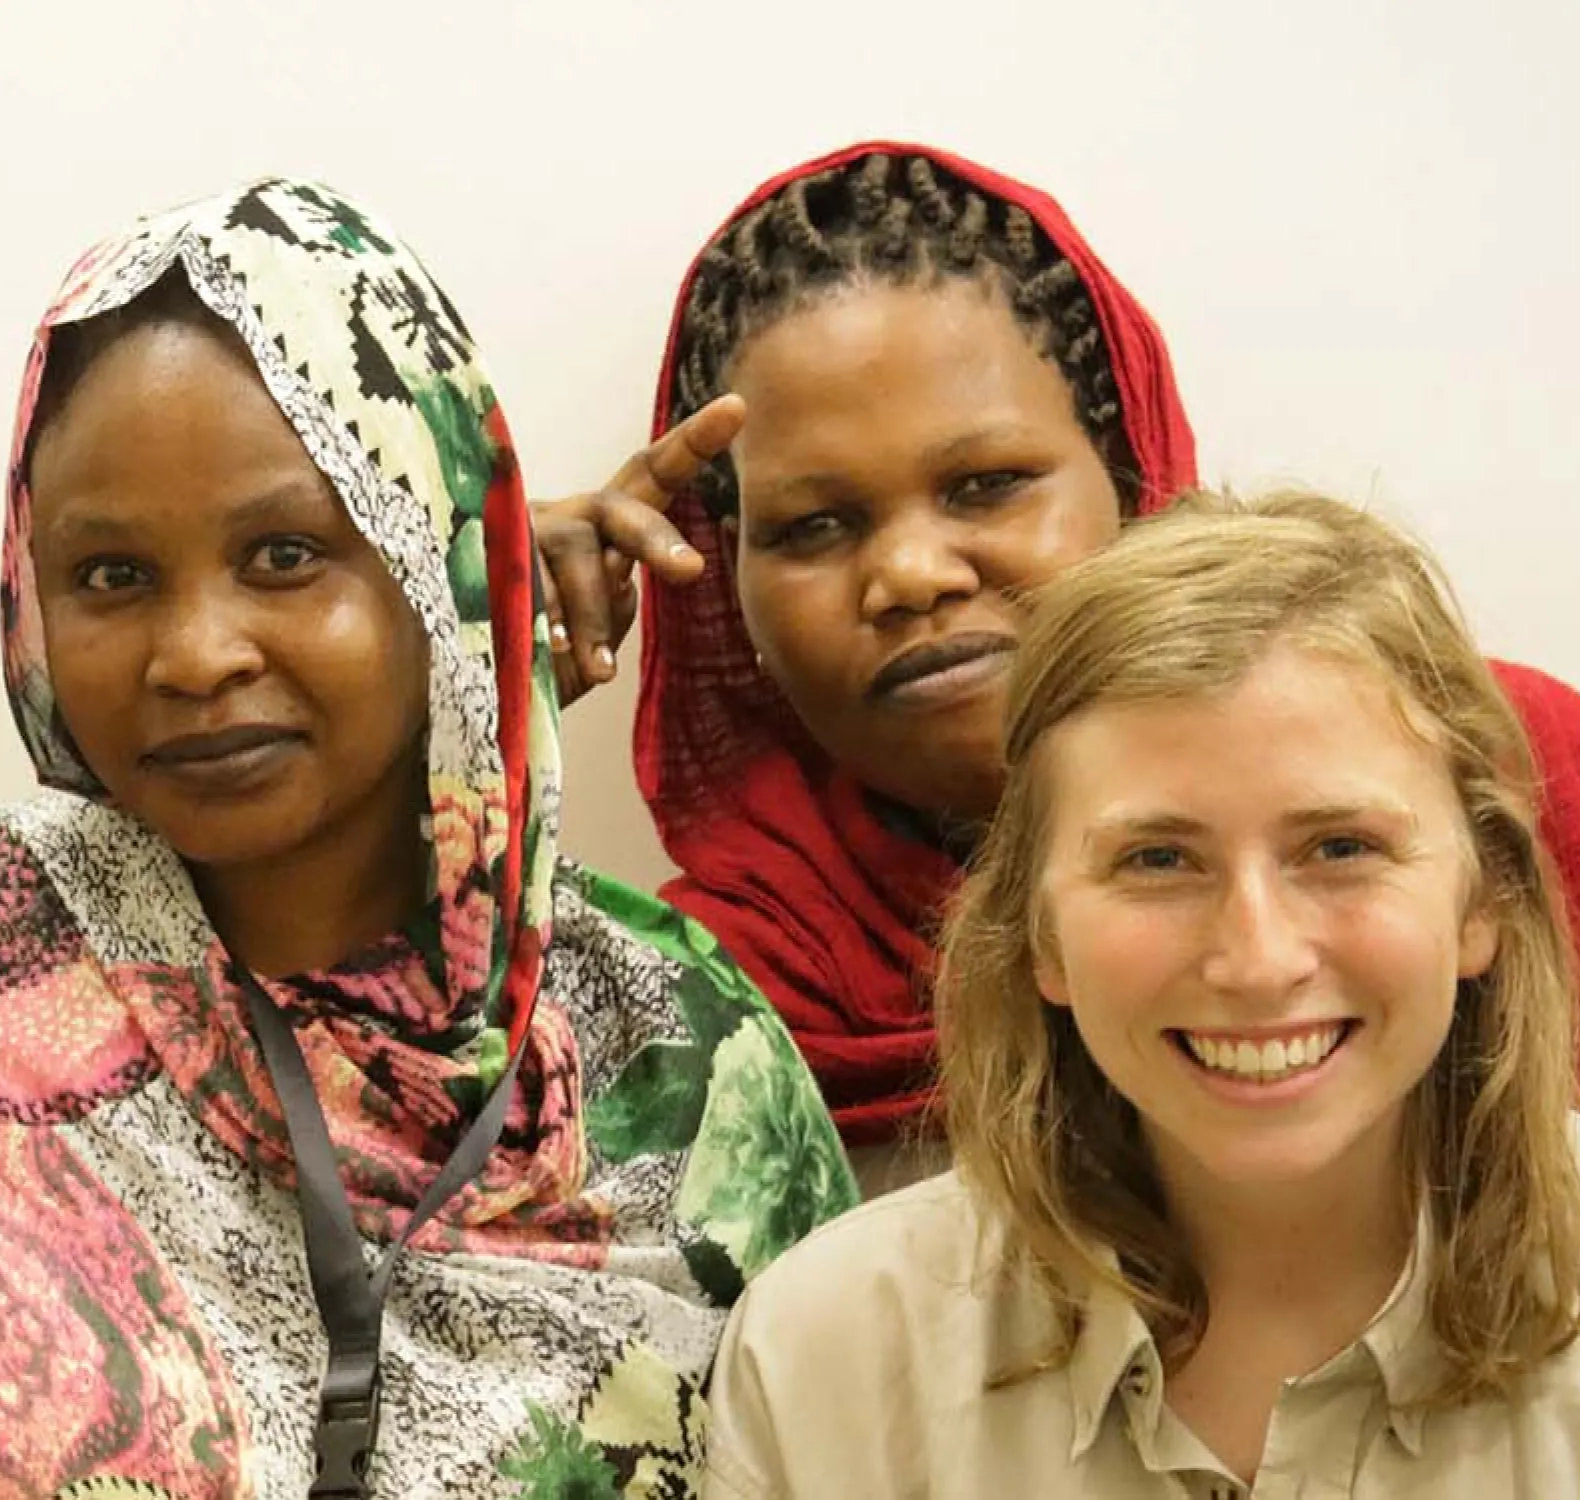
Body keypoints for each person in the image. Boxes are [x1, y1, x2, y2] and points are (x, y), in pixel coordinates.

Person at [0, 178, 853, 1499]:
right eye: (113, 577)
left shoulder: (681, 1053)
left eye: (284, 555)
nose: (197, 654)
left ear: (437, 560)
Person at [594, 142, 1580, 1191]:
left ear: (1132, 476)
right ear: (720, 583)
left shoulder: (1493, 772)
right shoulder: (696, 994)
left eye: (985, 484)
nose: (912, 574)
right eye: (814, 525)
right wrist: (487, 684)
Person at [703, 489, 1580, 1495]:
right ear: (1041, 935)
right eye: (1159, 859)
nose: (1257, 959)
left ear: (1483, 903)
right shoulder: (832, 1357)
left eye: (1341, 848)